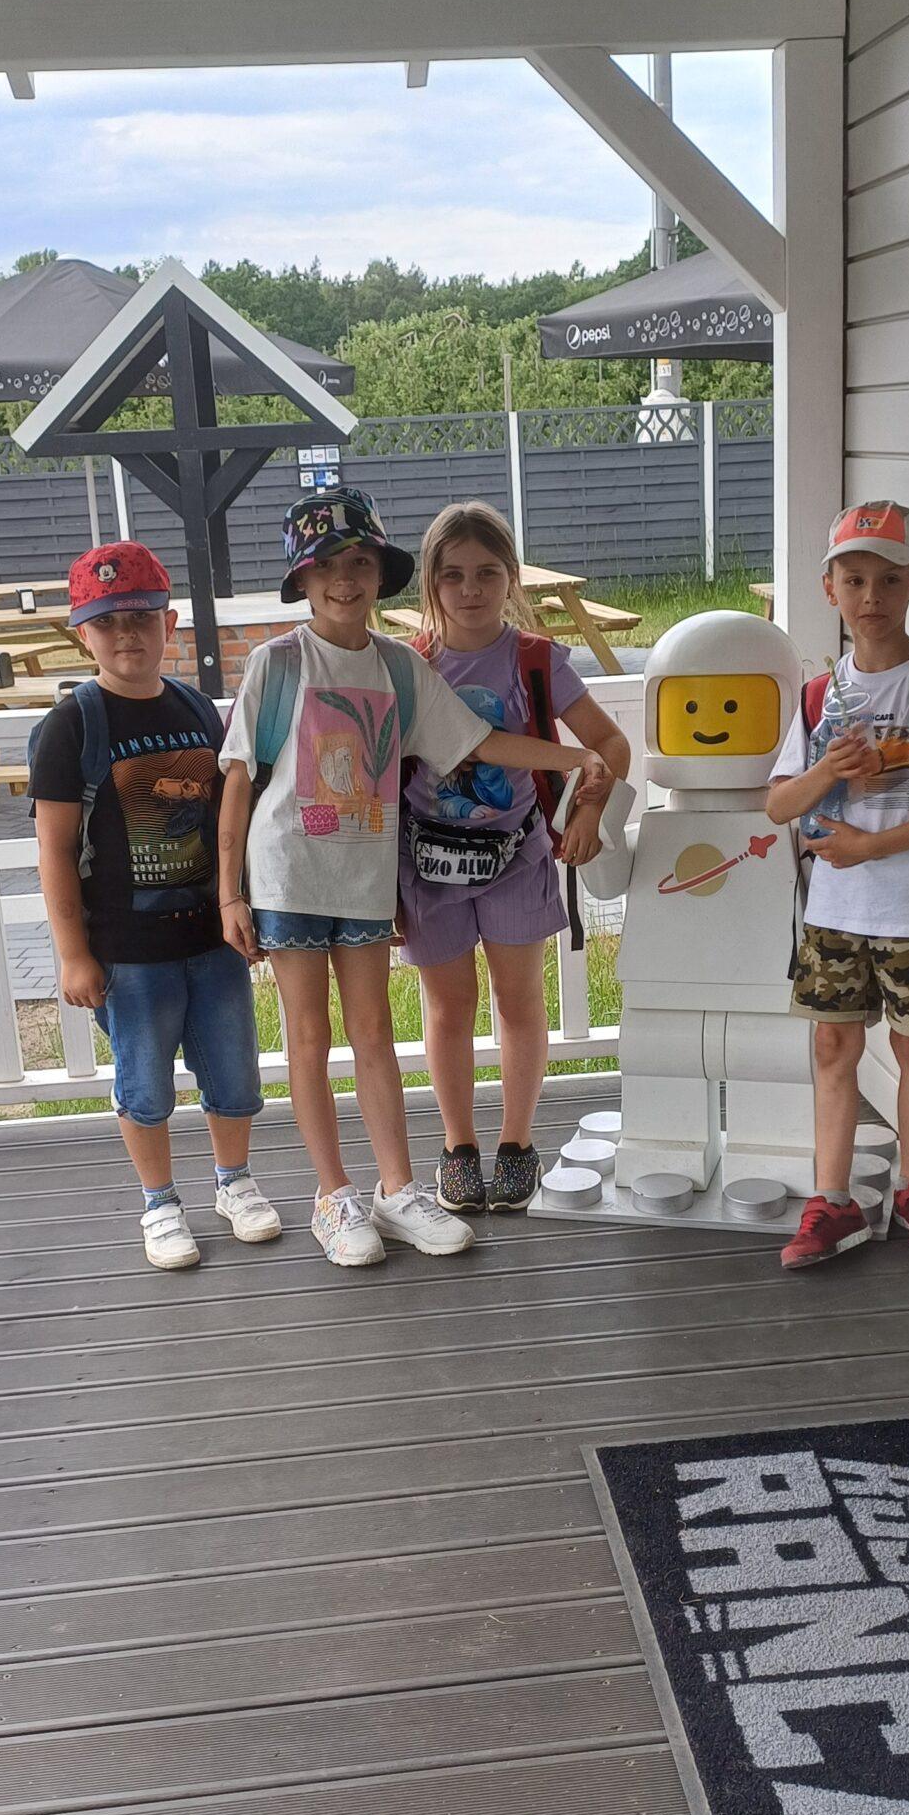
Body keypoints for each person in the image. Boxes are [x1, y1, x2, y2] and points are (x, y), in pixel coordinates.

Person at [217, 487, 610, 1268]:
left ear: (382, 574)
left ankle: (396, 1188)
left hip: (366, 881)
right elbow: (236, 779)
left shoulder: (401, 667)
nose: (345, 579)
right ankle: (333, 1194)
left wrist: (576, 757)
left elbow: (476, 742)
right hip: (289, 879)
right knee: (307, 1036)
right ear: (302, 578)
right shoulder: (278, 662)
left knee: (372, 1033)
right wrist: (229, 892)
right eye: (326, 565)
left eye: (360, 563)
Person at [30, 542, 281, 1271]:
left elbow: (231, 819)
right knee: (143, 1084)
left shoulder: (198, 710)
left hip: (211, 940)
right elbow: (55, 851)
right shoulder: (72, 726)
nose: (127, 634)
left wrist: (243, 903)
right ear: (83, 633)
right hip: (127, 953)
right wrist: (74, 954)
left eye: (141, 617)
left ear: (169, 623)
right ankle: (160, 1202)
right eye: (107, 622)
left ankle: (233, 1182)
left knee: (234, 1074)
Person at [765, 500, 909, 1267]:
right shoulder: (817, 695)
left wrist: (871, 845)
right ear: (829, 588)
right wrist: (829, 769)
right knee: (834, 1046)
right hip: (835, 909)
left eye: (890, 579)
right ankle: (831, 1202)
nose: (872, 596)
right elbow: (780, 804)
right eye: (855, 578)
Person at [399, 502, 631, 1213]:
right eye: (453, 575)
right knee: (448, 1007)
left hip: (517, 854)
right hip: (428, 862)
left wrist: (588, 810)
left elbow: (610, 744)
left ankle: (516, 1143)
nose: (470, 589)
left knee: (518, 1000)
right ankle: (458, 1146)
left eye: (487, 573)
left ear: (511, 578)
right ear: (431, 582)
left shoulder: (535, 659)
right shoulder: (410, 666)